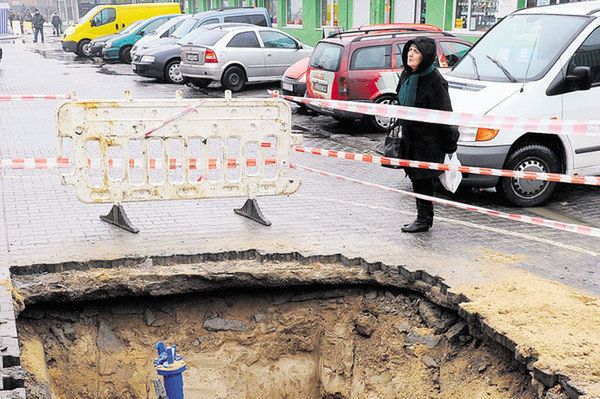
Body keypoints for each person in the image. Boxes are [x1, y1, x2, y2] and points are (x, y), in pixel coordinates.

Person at [395, 36, 459, 233]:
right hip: (410, 138)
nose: (410, 54)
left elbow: (445, 116)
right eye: (410, 50)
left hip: (428, 142)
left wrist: (450, 147)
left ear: (426, 56)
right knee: (416, 178)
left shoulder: (435, 81)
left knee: (422, 179)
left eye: (416, 51)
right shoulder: (407, 75)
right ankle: (422, 218)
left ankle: (424, 219)